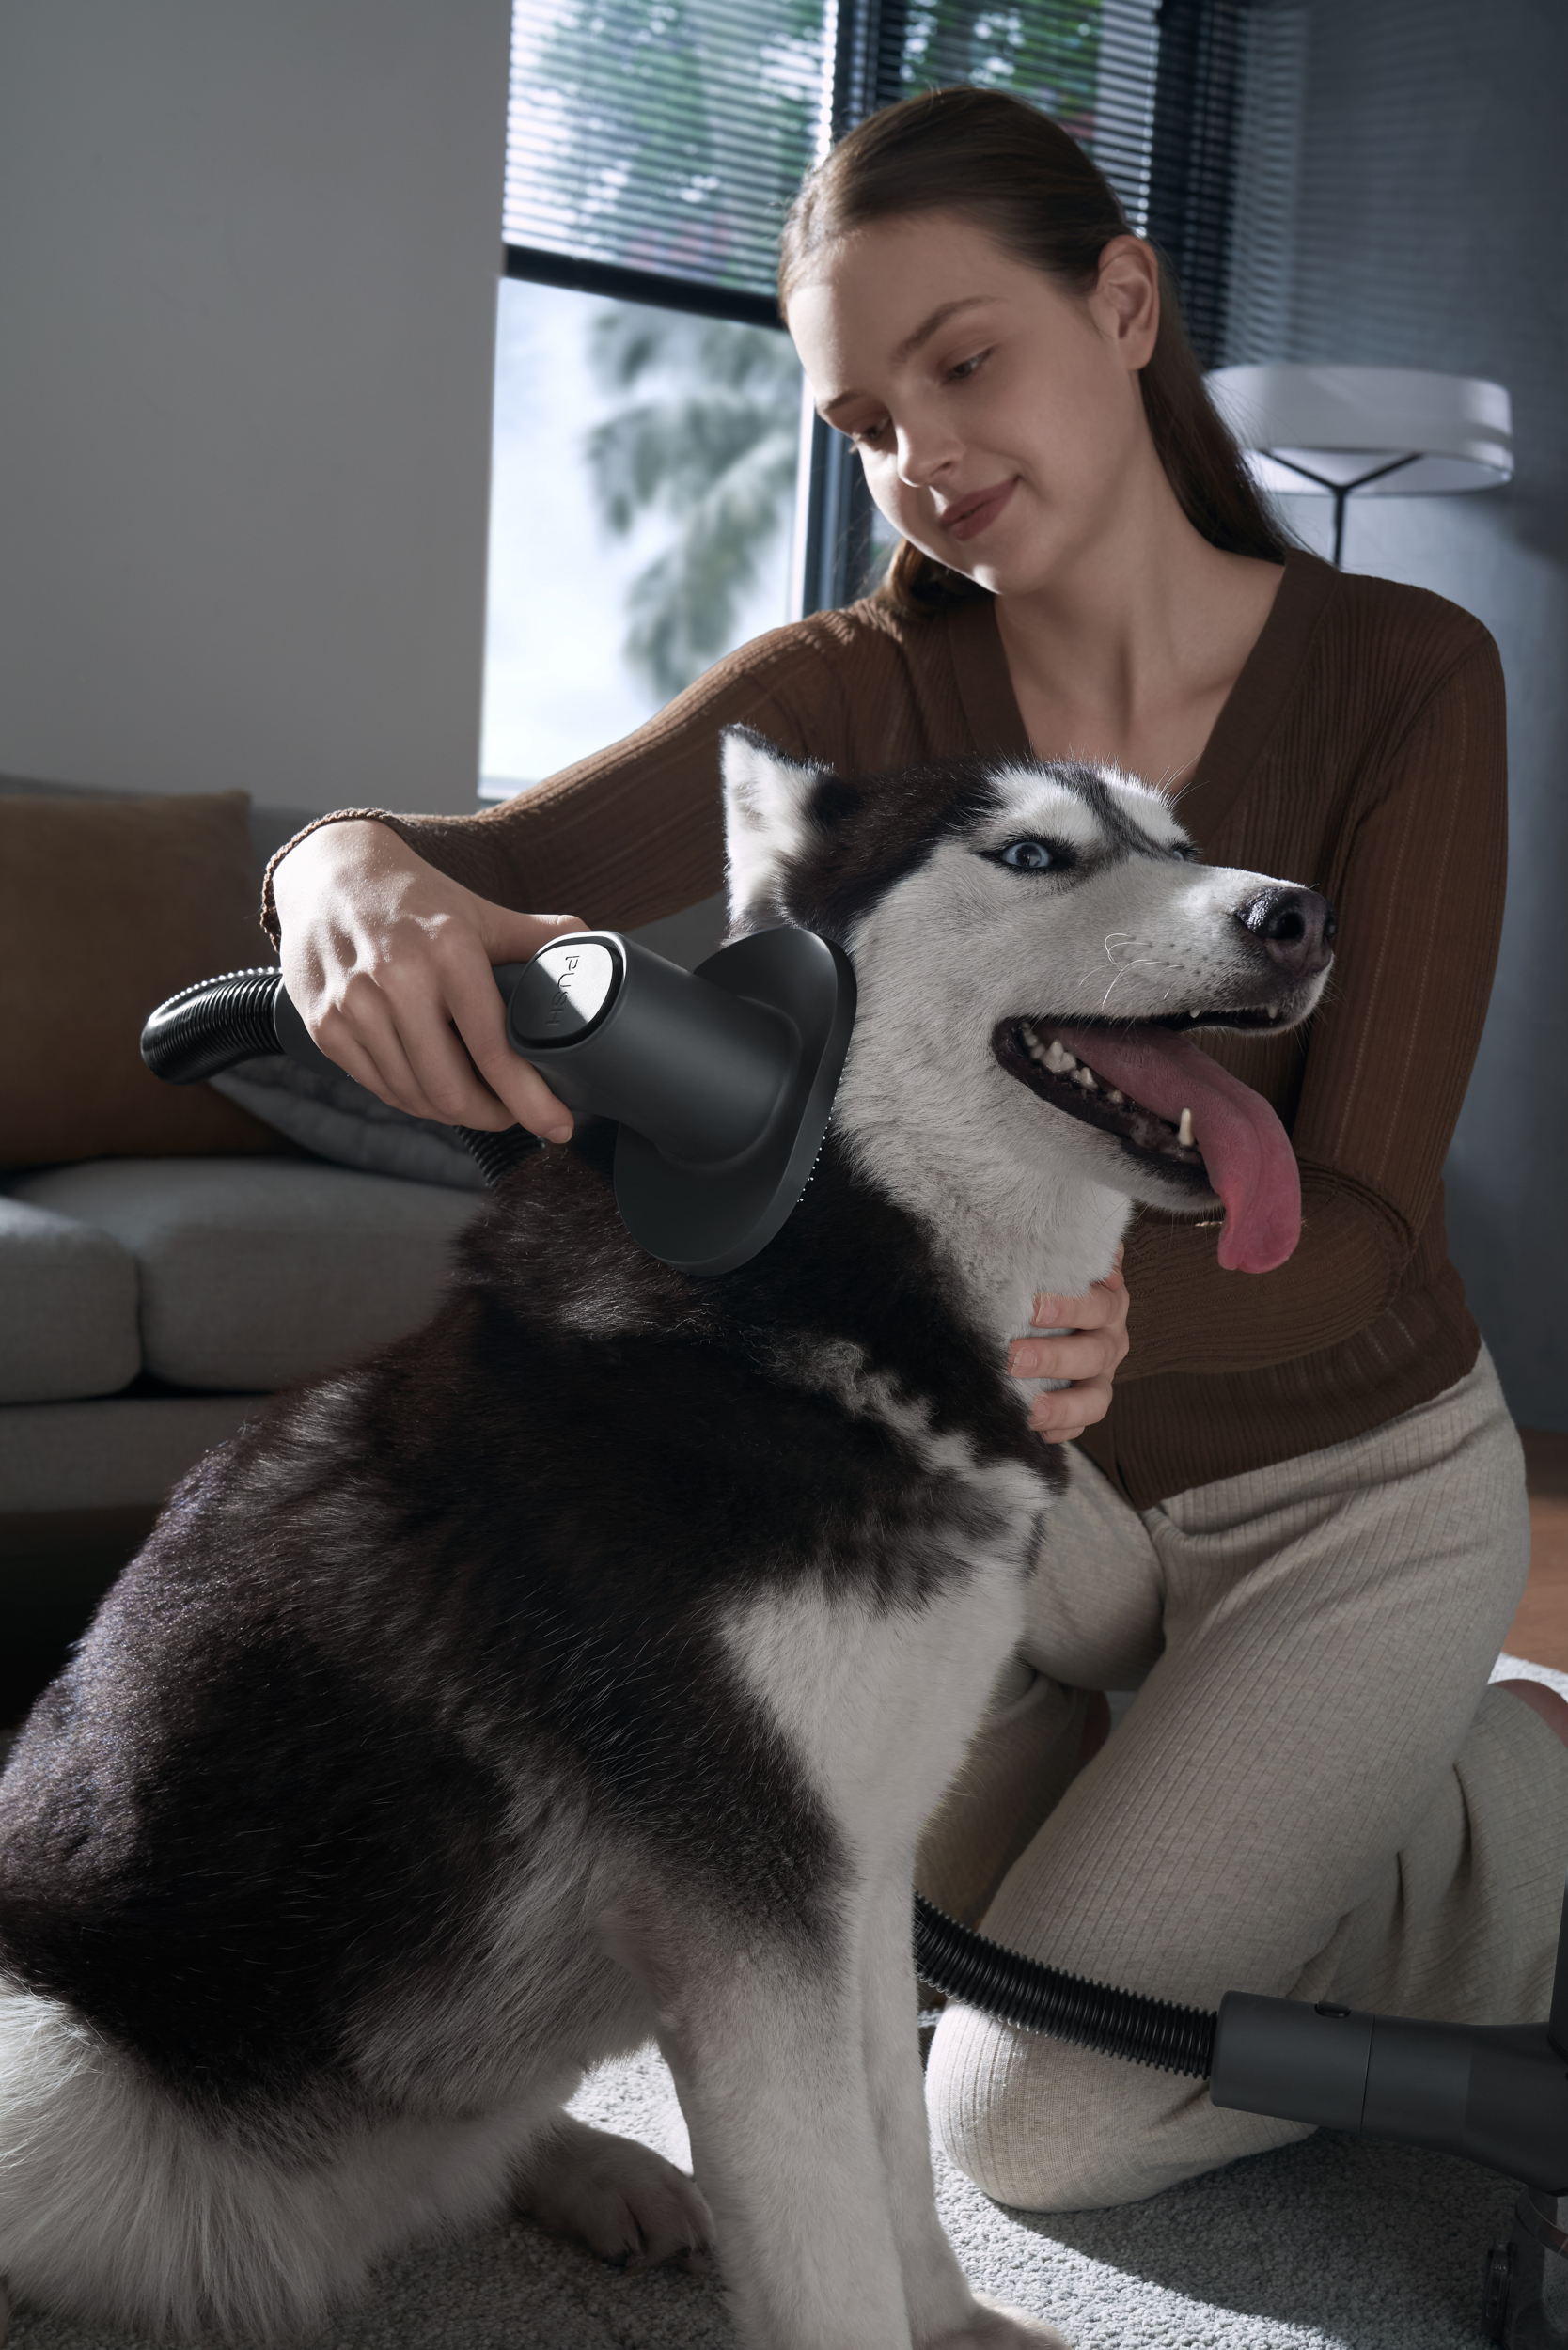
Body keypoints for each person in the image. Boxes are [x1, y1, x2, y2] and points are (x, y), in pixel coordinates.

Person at [264, 87, 1568, 2210]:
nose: (920, 459)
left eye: (963, 362)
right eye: (866, 418)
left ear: (1122, 301)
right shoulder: (847, 696)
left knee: (1028, 2113)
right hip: (1034, 1487)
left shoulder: (1409, 670)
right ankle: (1282, 1813)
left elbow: (1366, 1221)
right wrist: (334, 871)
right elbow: (455, 860)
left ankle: (1509, 1809)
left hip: (1342, 1489)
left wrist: (1068, 1293)